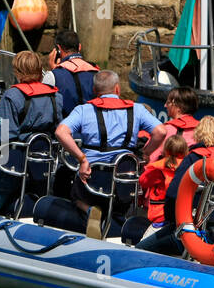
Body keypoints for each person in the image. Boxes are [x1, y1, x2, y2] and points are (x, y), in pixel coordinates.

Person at [55, 70, 167, 237]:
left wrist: (82, 158)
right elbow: (161, 131)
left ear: (94, 90)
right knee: (121, 199)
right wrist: (146, 152)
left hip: (92, 181)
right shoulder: (136, 109)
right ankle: (119, 223)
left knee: (74, 194)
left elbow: (61, 132)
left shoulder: (84, 110)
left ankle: (89, 210)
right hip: (124, 180)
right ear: (117, 89)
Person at [0, 51, 62, 217]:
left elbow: (3, 136)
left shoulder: (12, 96)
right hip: (44, 163)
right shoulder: (55, 96)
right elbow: (59, 129)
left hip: (16, 163)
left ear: (18, 72)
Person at [137, 114, 214, 255]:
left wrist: (172, 220)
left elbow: (173, 194)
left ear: (198, 135)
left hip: (189, 229)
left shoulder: (193, 158)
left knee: (141, 249)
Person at [44, 29, 99, 120]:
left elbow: (46, 109)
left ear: (58, 49)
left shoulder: (53, 76)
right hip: (92, 129)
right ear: (80, 47)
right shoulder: (97, 72)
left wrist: (53, 71)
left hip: (65, 130)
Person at [137, 132, 188, 226]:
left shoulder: (157, 168)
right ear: (185, 150)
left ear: (166, 150)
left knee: (145, 241)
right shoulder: (189, 167)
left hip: (160, 216)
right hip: (183, 216)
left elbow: (143, 181)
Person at [156, 86, 199, 152]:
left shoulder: (166, 130)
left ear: (178, 107)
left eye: (168, 103)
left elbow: (151, 156)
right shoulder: (202, 130)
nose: (165, 105)